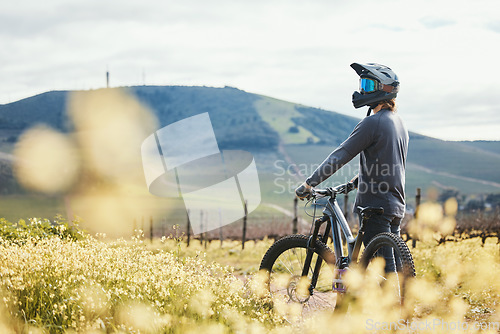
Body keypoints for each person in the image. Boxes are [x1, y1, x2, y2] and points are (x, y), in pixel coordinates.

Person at [295, 62, 409, 272]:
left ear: (382, 89)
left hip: (375, 206)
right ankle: (401, 303)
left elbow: (341, 155)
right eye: (361, 84)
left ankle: (388, 305)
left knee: (386, 272)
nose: (361, 90)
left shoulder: (372, 122)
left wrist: (309, 183)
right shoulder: (398, 123)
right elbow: (389, 160)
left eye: (367, 84)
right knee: (396, 269)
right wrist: (356, 181)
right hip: (395, 205)